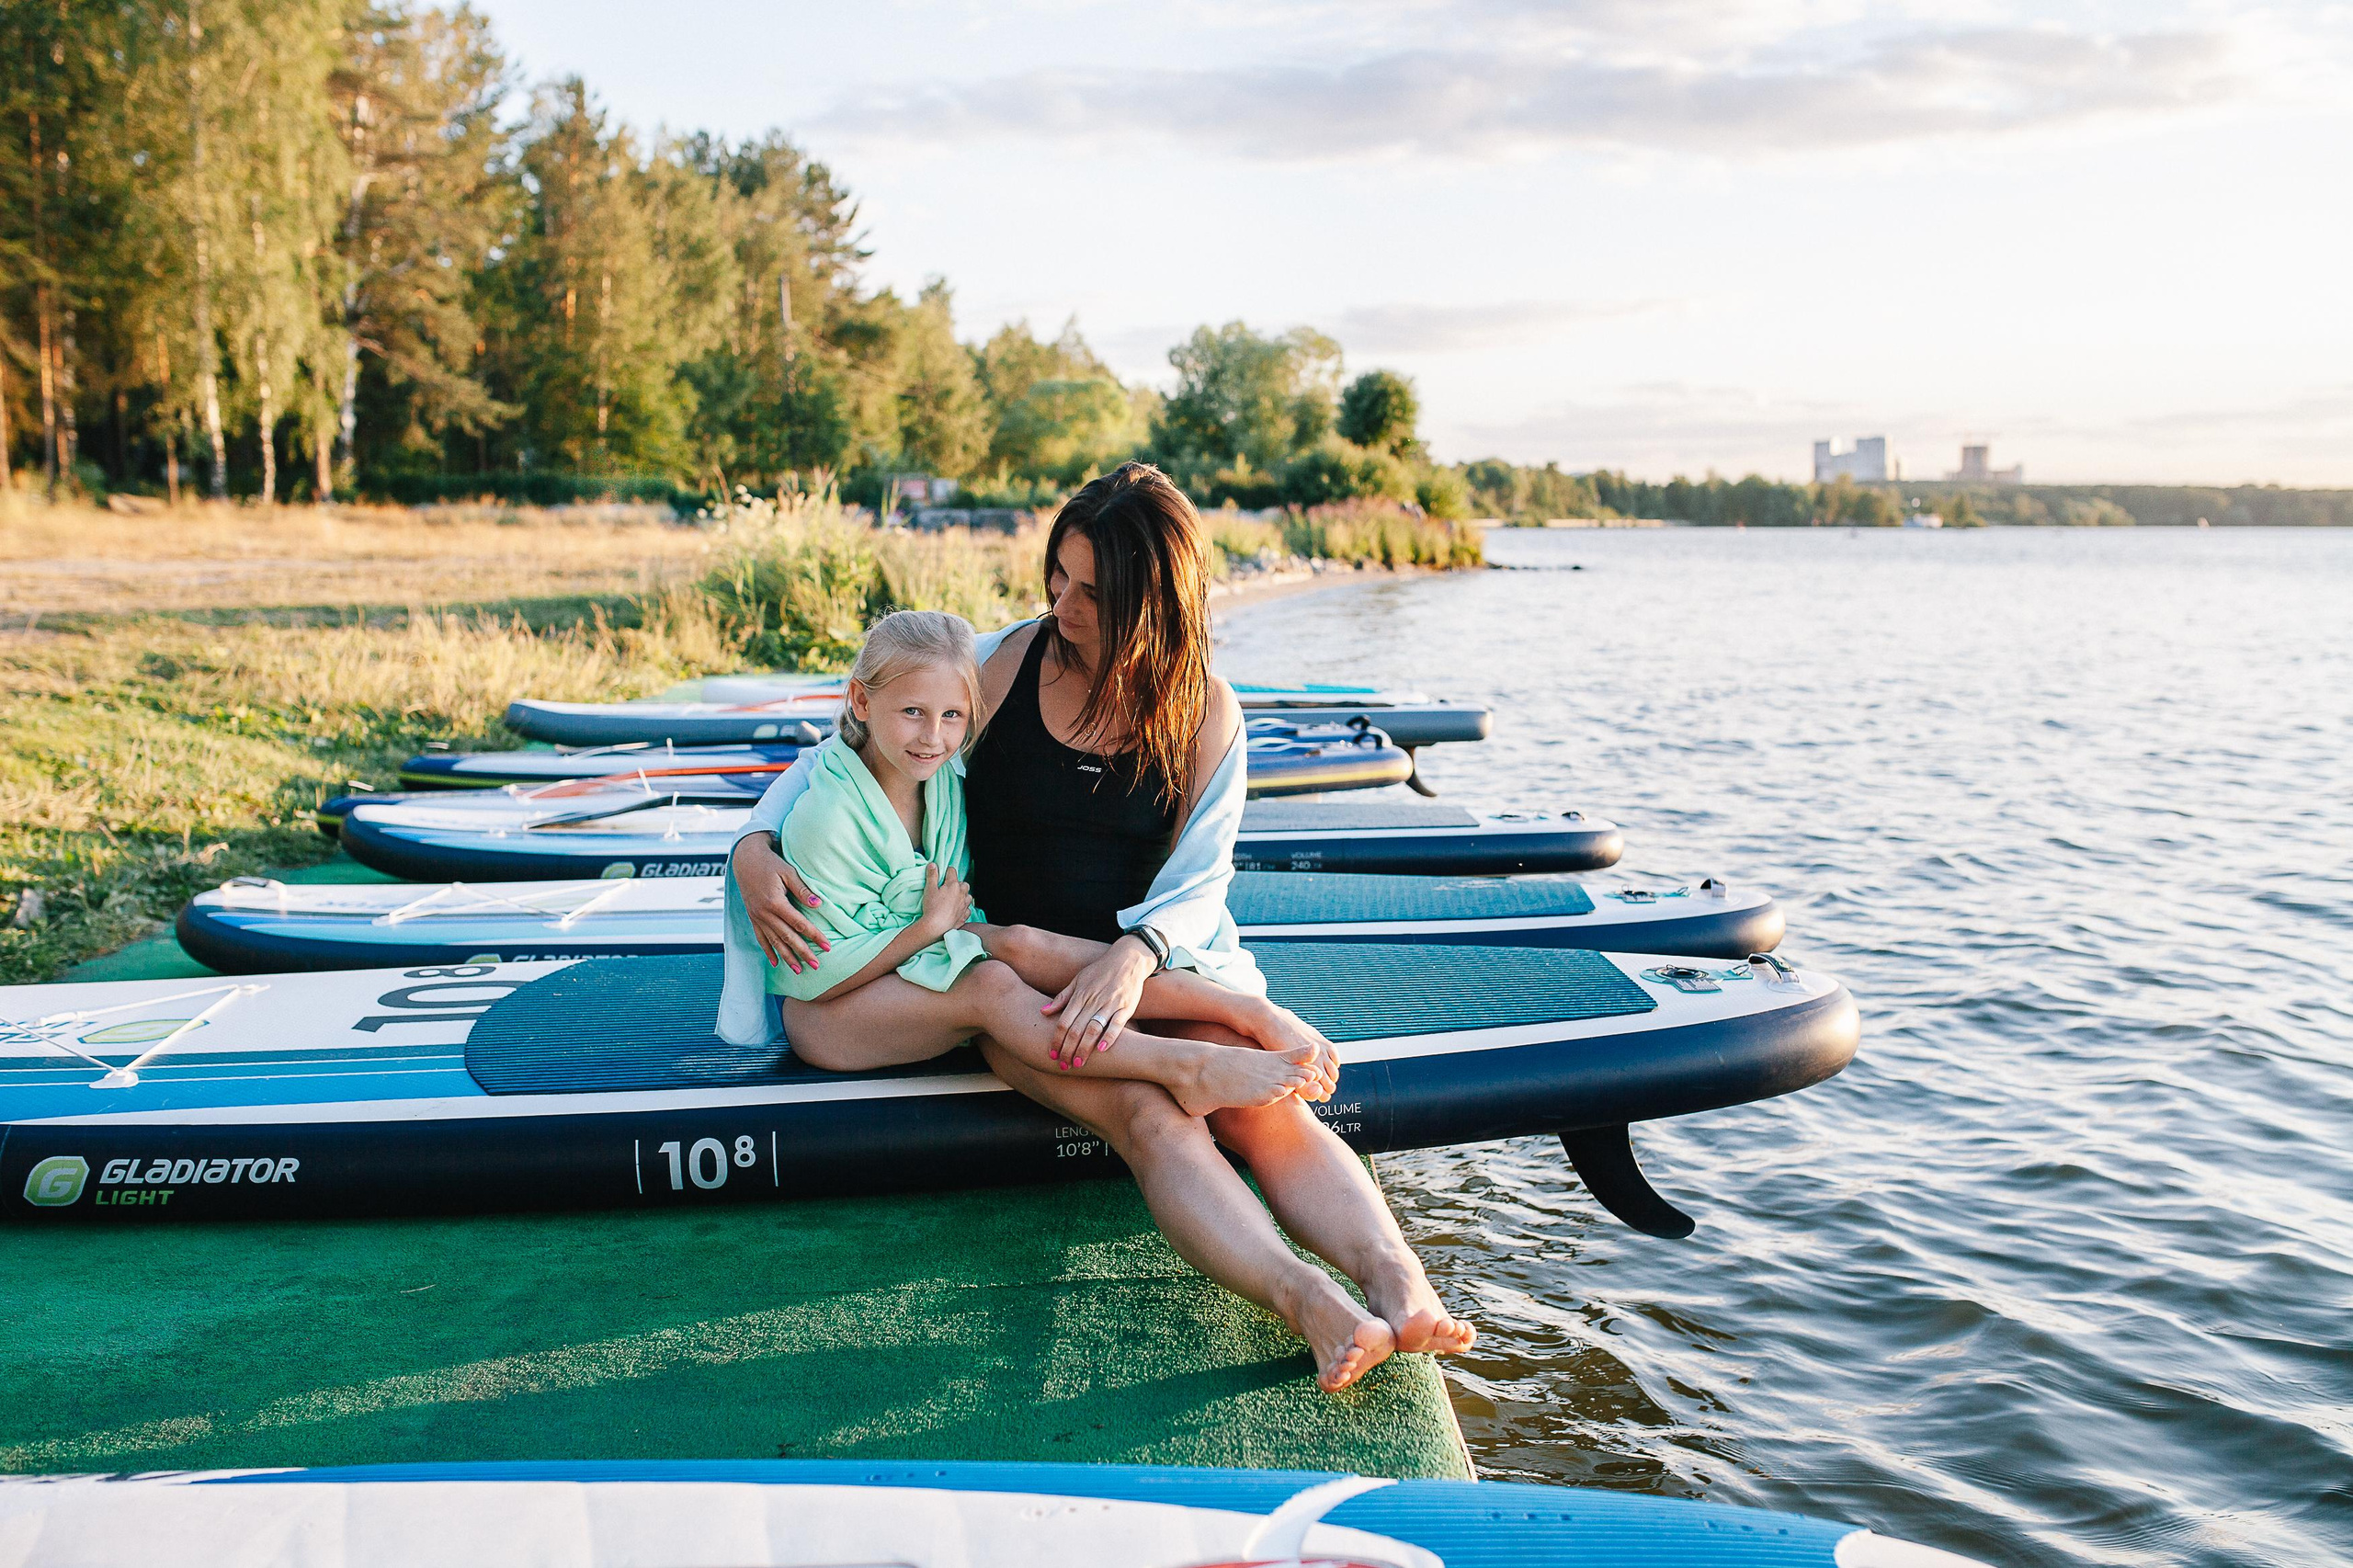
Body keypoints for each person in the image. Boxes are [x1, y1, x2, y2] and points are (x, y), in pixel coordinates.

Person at [722, 463, 1474, 1392]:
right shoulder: (1002, 663)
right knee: (1149, 1114)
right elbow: (857, 749)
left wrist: (1134, 953)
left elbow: (1202, 879)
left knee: (1262, 1104)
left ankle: (1398, 1281)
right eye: (1059, 577)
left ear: (1153, 602)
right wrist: (754, 843)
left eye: (1092, 591)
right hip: (1012, 971)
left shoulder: (1204, 710)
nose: (1063, 604)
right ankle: (1307, 1298)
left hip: (1146, 961)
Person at [764, 606, 1326, 1118]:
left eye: (953, 717)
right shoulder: (826, 821)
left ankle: (1246, 1010)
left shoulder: (940, 786)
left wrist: (939, 932)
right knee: (991, 984)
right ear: (862, 701)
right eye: (913, 712)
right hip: (831, 1013)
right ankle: (1182, 1065)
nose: (934, 736)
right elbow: (818, 978)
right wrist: (928, 929)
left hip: (912, 969)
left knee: (1024, 945)